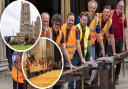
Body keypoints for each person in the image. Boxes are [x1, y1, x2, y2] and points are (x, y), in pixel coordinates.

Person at [61, 12, 85, 89]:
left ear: (74, 21)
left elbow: (78, 45)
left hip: (72, 57)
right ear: (66, 19)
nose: (70, 22)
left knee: (71, 78)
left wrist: (82, 58)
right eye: (69, 20)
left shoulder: (76, 30)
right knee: (61, 77)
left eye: (72, 21)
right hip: (62, 56)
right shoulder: (61, 28)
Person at [112, 0, 128, 84]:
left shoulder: (124, 17)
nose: (121, 8)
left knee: (118, 60)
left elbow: (125, 32)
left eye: (122, 7)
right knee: (110, 60)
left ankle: (116, 78)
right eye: (120, 6)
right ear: (117, 5)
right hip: (111, 41)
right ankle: (110, 78)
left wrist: (126, 45)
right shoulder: (111, 13)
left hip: (120, 41)